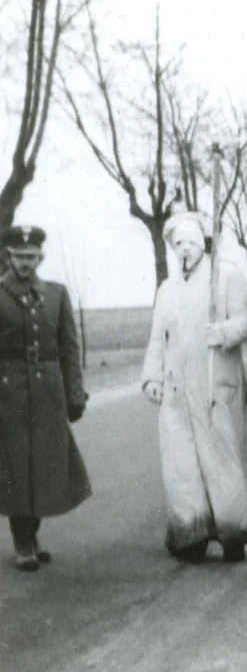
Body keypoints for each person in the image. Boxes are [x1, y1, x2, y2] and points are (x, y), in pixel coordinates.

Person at [142, 213, 247, 563]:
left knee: (221, 461)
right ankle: (190, 532)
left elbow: (245, 319)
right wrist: (152, 377)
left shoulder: (227, 277)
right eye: (177, 244)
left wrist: (223, 332)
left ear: (202, 243)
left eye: (189, 243)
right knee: (181, 463)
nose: (183, 250)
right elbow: (157, 338)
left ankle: (232, 533)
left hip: (214, 385)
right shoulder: (167, 289)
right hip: (178, 392)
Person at [0, 225, 91, 572]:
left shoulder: (55, 294)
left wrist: (74, 392)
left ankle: (33, 535)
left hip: (49, 394)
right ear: (9, 255)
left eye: (31, 257)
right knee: (16, 468)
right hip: (9, 395)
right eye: (19, 257)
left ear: (41, 256)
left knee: (44, 466)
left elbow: (69, 346)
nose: (25, 263)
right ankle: (22, 541)